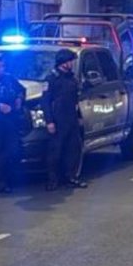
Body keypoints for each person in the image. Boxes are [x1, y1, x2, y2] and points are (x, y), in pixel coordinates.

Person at [0, 54, 26, 195]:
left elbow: (21, 90)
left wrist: (19, 98)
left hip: (10, 120)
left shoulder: (9, 79)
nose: (1, 69)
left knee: (12, 149)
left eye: (2, 66)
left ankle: (6, 179)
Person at [44, 48, 87, 190]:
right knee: (55, 151)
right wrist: (49, 121)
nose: (72, 64)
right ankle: (53, 180)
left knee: (73, 149)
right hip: (58, 119)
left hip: (71, 119)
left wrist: (79, 117)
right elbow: (46, 101)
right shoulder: (52, 79)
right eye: (70, 61)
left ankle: (71, 177)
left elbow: (75, 100)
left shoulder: (72, 78)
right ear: (63, 62)